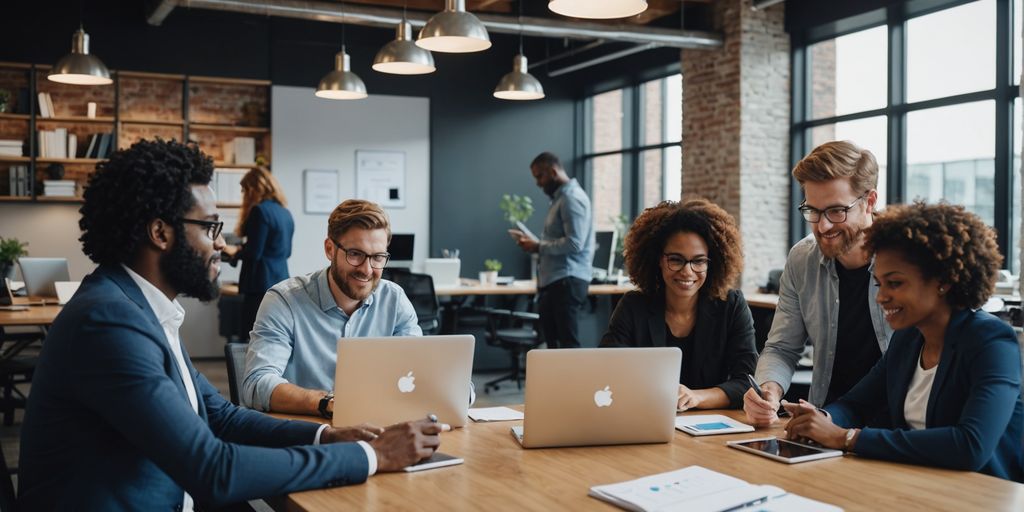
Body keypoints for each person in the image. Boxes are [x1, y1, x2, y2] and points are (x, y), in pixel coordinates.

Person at [17, 139, 447, 511]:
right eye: (210, 228)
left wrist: (328, 436)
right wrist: (369, 456)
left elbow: (220, 417)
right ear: (160, 233)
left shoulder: (138, 309)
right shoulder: (108, 322)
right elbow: (214, 469)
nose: (221, 243)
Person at [782, 202, 1023, 482]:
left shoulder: (991, 342)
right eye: (879, 283)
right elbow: (856, 405)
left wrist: (847, 437)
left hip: (979, 495)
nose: (881, 297)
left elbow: (970, 445)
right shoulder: (909, 338)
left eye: (895, 284)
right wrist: (820, 419)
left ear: (942, 281)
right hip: (914, 485)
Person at [744, 141, 894, 425]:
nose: (822, 226)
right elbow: (782, 348)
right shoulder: (802, 259)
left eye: (836, 211)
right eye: (813, 210)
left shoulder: (906, 260)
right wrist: (769, 391)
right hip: (825, 421)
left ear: (870, 201)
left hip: (899, 427)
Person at [242, 199, 421, 417]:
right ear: (329, 249)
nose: (366, 269)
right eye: (355, 254)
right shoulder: (284, 301)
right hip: (308, 438)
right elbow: (256, 385)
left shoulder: (394, 300)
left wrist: (453, 390)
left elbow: (417, 370)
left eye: (377, 257)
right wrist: (327, 403)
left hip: (378, 432)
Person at [600, 199, 758, 410]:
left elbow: (747, 382)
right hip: (646, 416)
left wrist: (696, 397)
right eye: (676, 259)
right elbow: (607, 370)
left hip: (713, 430)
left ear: (713, 262)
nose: (687, 271)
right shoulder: (633, 307)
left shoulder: (731, 306)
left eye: (699, 261)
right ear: (658, 259)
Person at [514, 152, 594, 349]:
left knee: (567, 347)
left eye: (540, 176)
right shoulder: (560, 199)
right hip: (555, 281)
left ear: (553, 171)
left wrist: (538, 246)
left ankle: (574, 382)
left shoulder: (571, 199)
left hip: (566, 281)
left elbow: (575, 243)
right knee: (554, 347)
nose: (538, 183)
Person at [222, 166, 294, 340]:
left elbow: (254, 253)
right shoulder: (285, 213)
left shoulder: (259, 211)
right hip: (281, 281)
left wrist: (235, 252)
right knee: (273, 333)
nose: (244, 196)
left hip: (258, 284)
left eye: (245, 190)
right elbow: (287, 252)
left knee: (250, 336)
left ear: (254, 189)